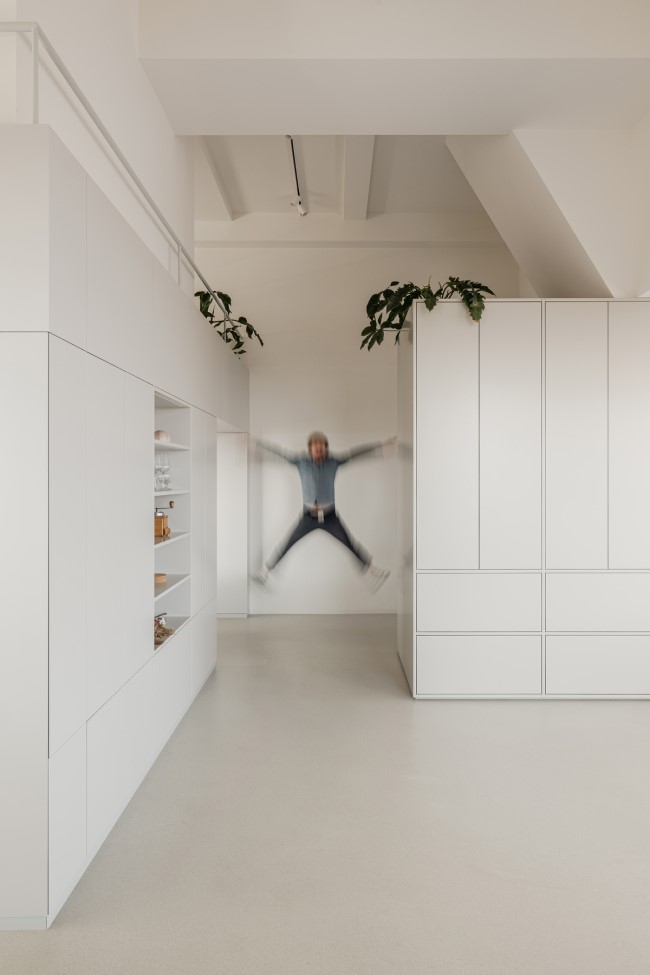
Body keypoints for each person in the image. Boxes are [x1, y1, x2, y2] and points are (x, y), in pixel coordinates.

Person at [253, 431, 395, 592]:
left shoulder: (334, 461)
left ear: (326, 449)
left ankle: (371, 569)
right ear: (310, 449)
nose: (318, 450)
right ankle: (265, 573)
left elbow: (356, 454)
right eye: (315, 447)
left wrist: (381, 445)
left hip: (330, 517)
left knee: (349, 542)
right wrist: (255, 442)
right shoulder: (300, 461)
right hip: (308, 517)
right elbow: (278, 452)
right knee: (288, 542)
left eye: (321, 447)